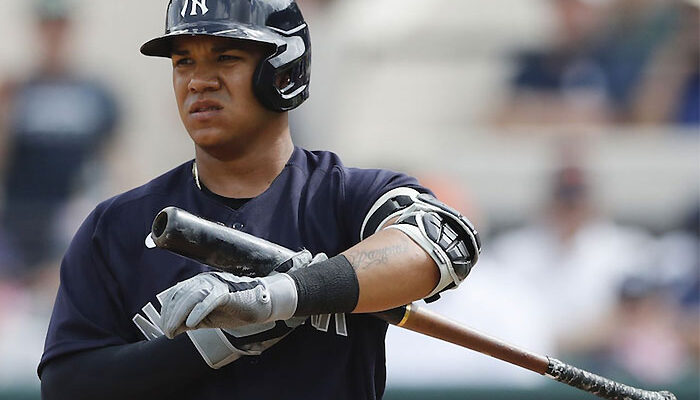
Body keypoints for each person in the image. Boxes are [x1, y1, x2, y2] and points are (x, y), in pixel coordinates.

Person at [38, 1, 481, 399]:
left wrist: (279, 296)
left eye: (225, 57)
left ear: (284, 70)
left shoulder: (345, 196)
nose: (198, 81)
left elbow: (444, 244)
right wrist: (212, 344)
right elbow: (66, 385)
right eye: (183, 61)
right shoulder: (117, 225)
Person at [0, 0, 119, 277]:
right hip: (21, 218)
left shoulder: (95, 93)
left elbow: (114, 158)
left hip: (73, 216)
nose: (53, 35)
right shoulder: (15, 90)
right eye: (47, 27)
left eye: (60, 27)